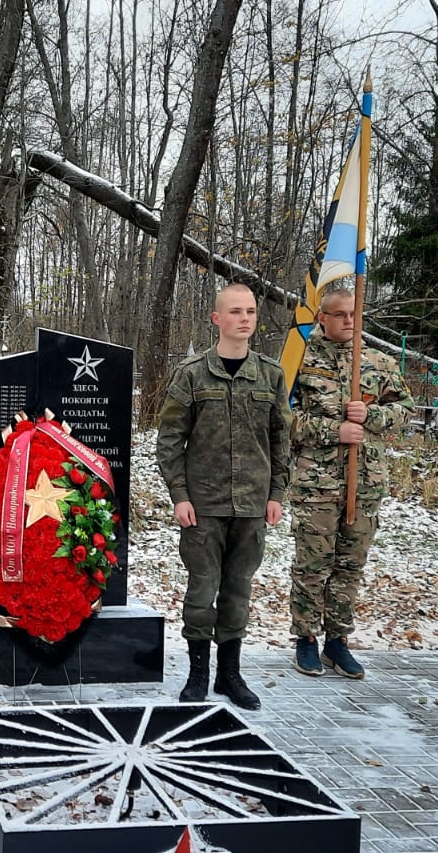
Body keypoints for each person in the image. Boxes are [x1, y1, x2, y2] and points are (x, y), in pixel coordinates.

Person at [156, 283, 290, 709]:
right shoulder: (192, 374)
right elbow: (169, 439)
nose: (245, 318)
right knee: (202, 592)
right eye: (235, 311)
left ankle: (229, 675)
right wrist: (179, 495)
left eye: (250, 311)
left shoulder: (271, 374)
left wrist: (276, 493)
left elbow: (280, 439)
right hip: (204, 505)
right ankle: (198, 674)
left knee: (238, 592)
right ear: (217, 319)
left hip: (252, 505)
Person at [287, 286, 413, 680]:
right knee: (312, 566)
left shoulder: (379, 361)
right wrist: (334, 430)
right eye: (339, 314)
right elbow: (282, 420)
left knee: (350, 567)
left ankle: (337, 641)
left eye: (354, 314)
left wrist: (370, 418)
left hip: (365, 483)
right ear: (321, 317)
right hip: (316, 484)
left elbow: (405, 411)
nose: (348, 321)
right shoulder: (300, 361)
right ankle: (305, 640)